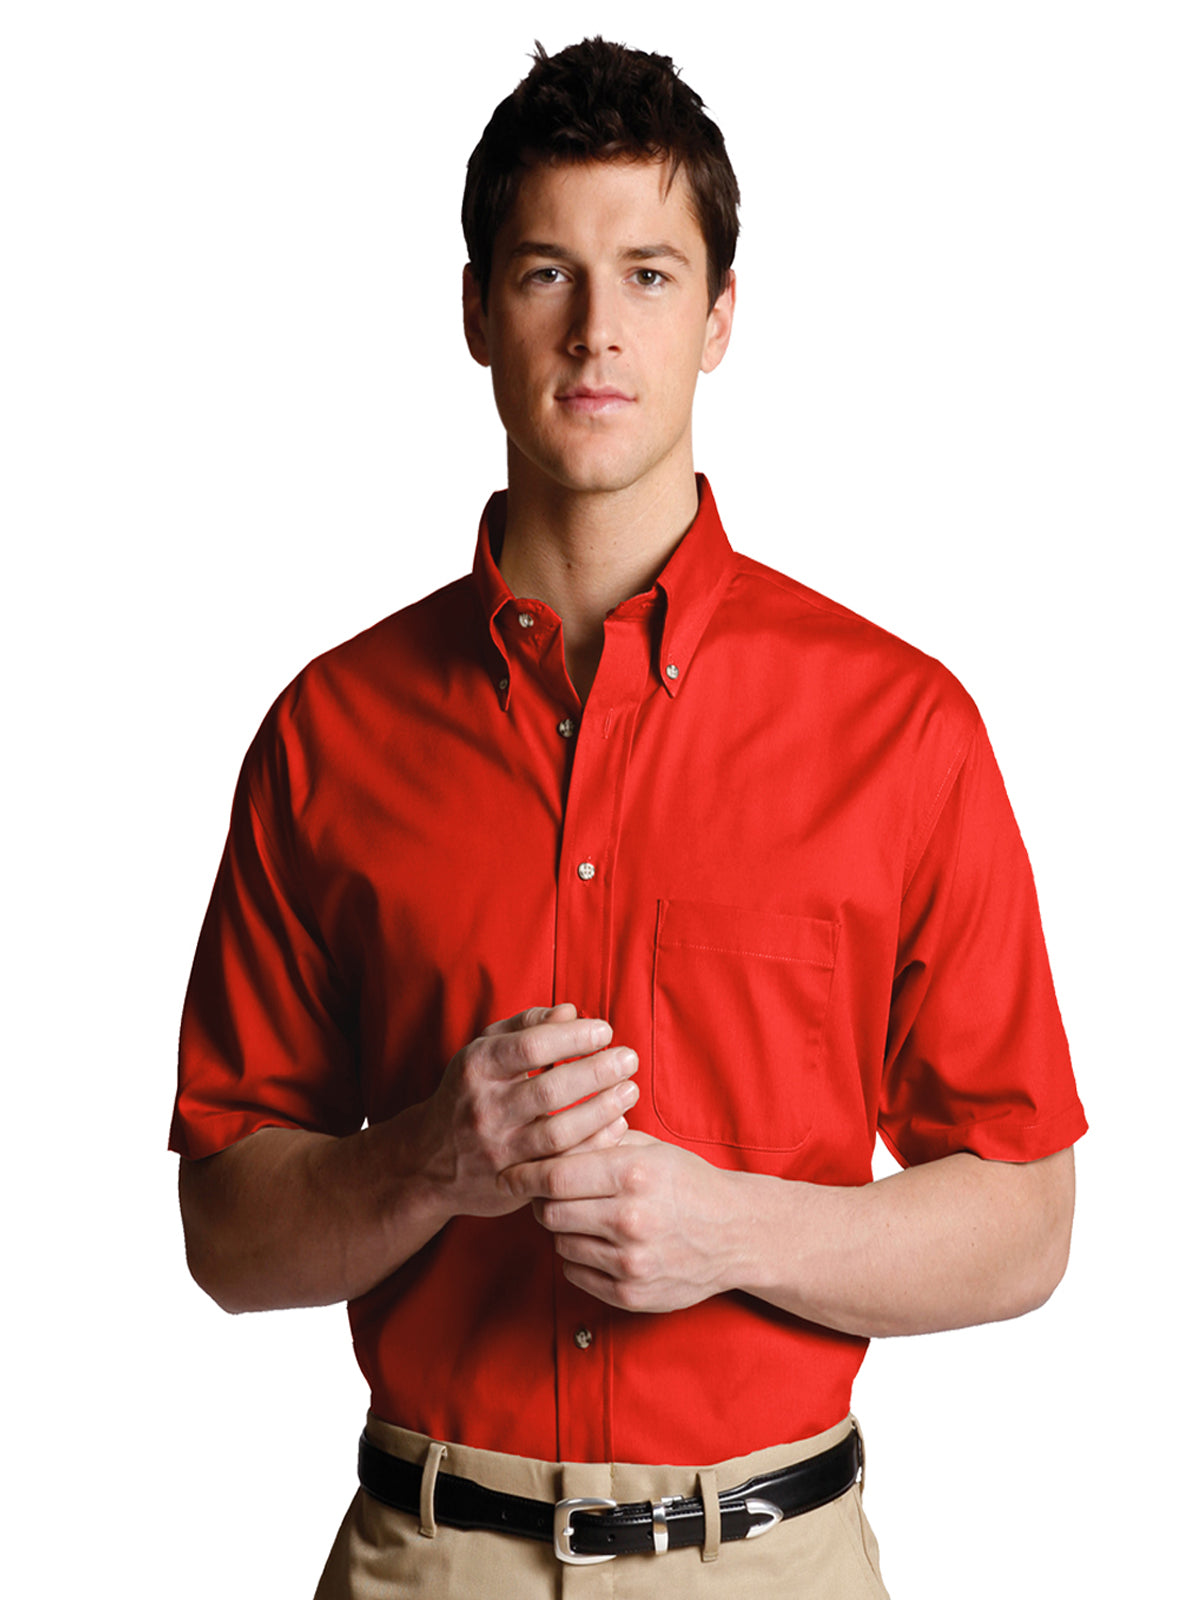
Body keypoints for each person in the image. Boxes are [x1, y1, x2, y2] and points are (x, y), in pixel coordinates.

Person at [172, 37, 1086, 1598]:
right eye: (549, 272)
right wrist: (425, 1164)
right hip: (432, 1561)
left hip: (773, 1560)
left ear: (720, 316)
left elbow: (1027, 1218)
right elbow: (223, 1233)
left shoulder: (903, 731)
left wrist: (736, 1230)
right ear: (477, 310)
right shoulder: (329, 735)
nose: (598, 331)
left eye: (650, 275)